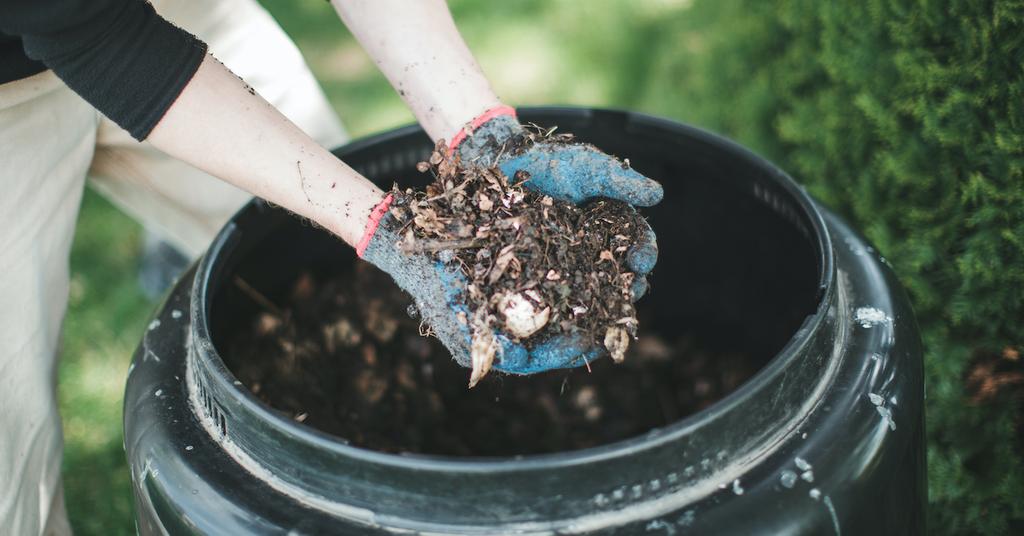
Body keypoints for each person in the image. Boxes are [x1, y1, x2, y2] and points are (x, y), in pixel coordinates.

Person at [0, 0, 662, 532]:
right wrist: (386, 229)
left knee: (326, 278)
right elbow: (98, 39)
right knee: (12, 464)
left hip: (155, 12)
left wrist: (479, 131)